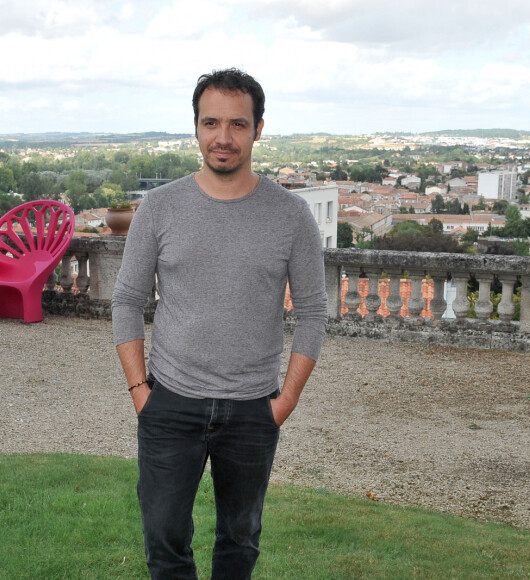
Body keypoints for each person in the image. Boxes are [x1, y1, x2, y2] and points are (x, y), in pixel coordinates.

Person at [112, 68, 327, 580]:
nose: (223, 137)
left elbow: (314, 313)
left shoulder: (292, 215)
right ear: (195, 127)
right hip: (169, 402)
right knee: (164, 538)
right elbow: (126, 301)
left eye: (237, 124)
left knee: (239, 540)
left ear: (258, 129)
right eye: (211, 123)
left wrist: (286, 400)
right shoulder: (160, 207)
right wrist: (141, 390)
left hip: (253, 408)